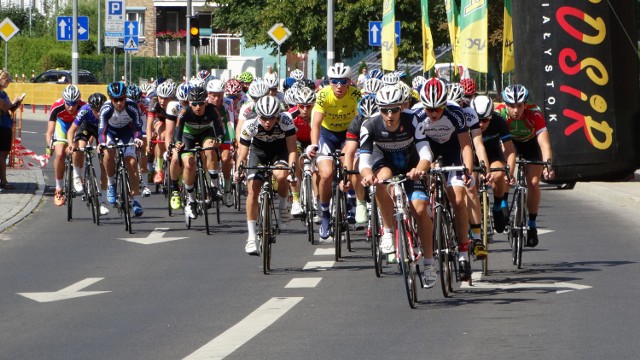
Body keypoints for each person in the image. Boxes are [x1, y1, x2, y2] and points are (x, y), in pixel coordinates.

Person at [359, 85, 437, 288]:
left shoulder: (413, 120)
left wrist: (420, 169)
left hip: (411, 164)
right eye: (385, 110)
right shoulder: (370, 125)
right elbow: (364, 162)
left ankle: (429, 264)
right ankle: (387, 231)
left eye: (394, 109)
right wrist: (367, 176)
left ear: (402, 107)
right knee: (381, 181)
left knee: (420, 209)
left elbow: (426, 152)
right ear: (379, 109)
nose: (390, 114)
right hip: (384, 162)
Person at [415, 77, 475, 281]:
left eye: (438, 109)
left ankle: (464, 254)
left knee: (458, 200)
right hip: (427, 150)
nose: (433, 113)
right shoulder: (416, 115)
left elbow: (466, 146)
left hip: (451, 150)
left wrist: (468, 170)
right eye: (429, 109)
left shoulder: (455, 113)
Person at [234, 95, 298, 255]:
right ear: (258, 115)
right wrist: (238, 171)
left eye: (272, 118)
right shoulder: (250, 124)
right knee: (253, 190)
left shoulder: (286, 120)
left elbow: (292, 150)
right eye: (264, 118)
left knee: (282, 176)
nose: (268, 122)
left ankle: (283, 208)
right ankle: (251, 236)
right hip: (258, 153)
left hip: (279, 152)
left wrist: (292, 170)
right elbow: (242, 155)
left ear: (278, 116)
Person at [306, 62, 362, 240]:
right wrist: (314, 145)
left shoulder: (355, 94)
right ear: (330, 82)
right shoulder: (323, 95)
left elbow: (361, 120)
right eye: (334, 81)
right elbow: (315, 124)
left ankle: (352, 199)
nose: (339, 86)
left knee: (350, 164)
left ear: (349, 82)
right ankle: (324, 214)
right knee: (326, 173)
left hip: (348, 134)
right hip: (327, 135)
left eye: (343, 81)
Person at [495, 84, 555, 247]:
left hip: (530, 144)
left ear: (525, 105)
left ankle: (532, 225)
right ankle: (503, 203)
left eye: (519, 106)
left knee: (534, 183)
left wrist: (548, 165)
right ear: (505, 104)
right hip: (509, 143)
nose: (515, 110)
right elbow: (500, 144)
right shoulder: (499, 113)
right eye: (512, 106)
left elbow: (544, 143)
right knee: (506, 170)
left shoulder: (534, 113)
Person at [174, 86, 225, 219]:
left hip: (205, 133)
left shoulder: (212, 110)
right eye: (194, 104)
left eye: (201, 103)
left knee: (210, 147)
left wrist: (219, 140)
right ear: (190, 103)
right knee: (189, 164)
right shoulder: (184, 111)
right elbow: (177, 132)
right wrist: (178, 143)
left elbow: (220, 130)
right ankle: (191, 201)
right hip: (188, 135)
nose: (198, 107)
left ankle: (214, 187)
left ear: (206, 101)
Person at [470, 95, 516, 233]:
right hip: (472, 155)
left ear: (491, 117)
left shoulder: (499, 122)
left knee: (498, 173)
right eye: (477, 120)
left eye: (485, 120)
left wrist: (509, 172)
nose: (480, 124)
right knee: (471, 183)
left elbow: (510, 151)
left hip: (492, 153)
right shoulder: (466, 121)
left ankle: (497, 206)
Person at [99, 81, 145, 216]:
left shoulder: (132, 106)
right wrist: (102, 143)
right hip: (110, 133)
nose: (119, 103)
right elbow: (101, 130)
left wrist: (138, 139)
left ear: (125, 97)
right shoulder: (106, 109)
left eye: (122, 99)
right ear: (110, 99)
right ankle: (112, 184)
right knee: (108, 154)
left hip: (127, 133)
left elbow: (138, 127)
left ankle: (135, 200)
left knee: (131, 162)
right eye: (115, 100)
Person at [66, 93, 110, 216]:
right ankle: (77, 176)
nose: (98, 113)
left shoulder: (108, 110)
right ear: (90, 107)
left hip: (102, 130)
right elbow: (71, 130)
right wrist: (70, 145)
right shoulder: (84, 110)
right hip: (87, 127)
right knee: (79, 146)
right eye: (95, 110)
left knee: (105, 162)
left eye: (100, 110)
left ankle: (103, 200)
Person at [45, 85, 86, 206]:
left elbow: (89, 128)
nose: (71, 107)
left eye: (74, 103)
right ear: (64, 100)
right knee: (59, 154)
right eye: (68, 103)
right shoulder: (57, 107)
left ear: (78, 101)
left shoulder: (84, 106)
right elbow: (49, 132)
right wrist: (50, 145)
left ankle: (78, 175)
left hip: (77, 126)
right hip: (62, 126)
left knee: (78, 149)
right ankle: (59, 189)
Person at [206, 79, 235, 205]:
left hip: (222, 132)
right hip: (207, 132)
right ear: (208, 94)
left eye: (220, 95)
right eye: (214, 95)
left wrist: (233, 139)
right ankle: (209, 188)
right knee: (208, 154)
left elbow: (230, 122)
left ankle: (227, 190)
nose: (217, 98)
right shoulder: (203, 103)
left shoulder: (228, 102)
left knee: (226, 157)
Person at [289, 86, 316, 218]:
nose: (305, 109)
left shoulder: (318, 114)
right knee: (295, 162)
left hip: (313, 141)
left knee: (317, 166)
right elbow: (287, 137)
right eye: (302, 106)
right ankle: (295, 200)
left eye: (309, 106)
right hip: (297, 140)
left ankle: (316, 198)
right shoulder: (291, 115)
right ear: (297, 105)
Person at [0, 69, 24, 190]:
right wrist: (12, 102)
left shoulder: (3, 94)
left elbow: (9, 108)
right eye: (7, 80)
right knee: (2, 155)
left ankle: (3, 180)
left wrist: (16, 103)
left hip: (6, 125)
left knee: (4, 154)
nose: (9, 82)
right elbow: (4, 108)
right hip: (1, 126)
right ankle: (3, 181)